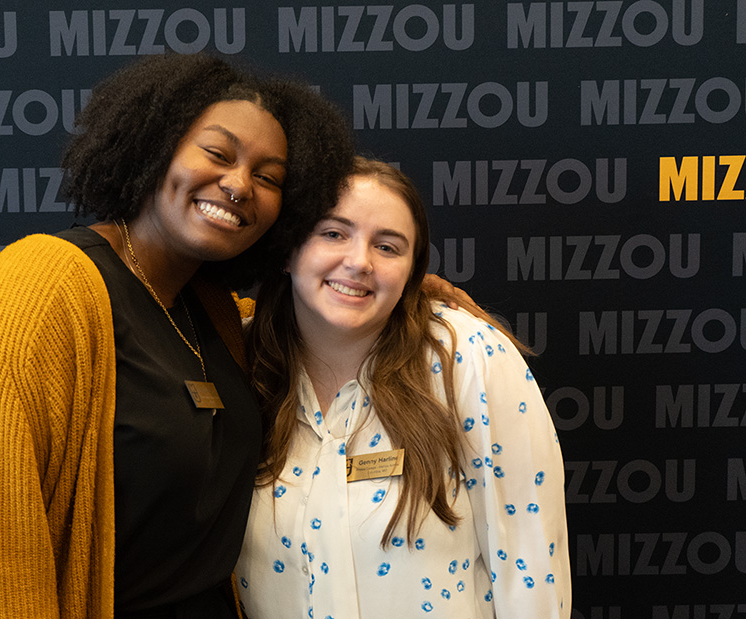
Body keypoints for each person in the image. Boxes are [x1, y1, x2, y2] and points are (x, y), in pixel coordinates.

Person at [0, 53, 355, 619]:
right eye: (217, 153)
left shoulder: (215, 313)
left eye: (268, 177)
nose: (238, 185)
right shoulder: (38, 289)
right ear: (155, 146)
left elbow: (317, 318)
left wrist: (406, 292)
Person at [235, 157, 570, 618]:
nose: (358, 262)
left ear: (412, 272)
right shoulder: (236, 363)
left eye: (388, 247)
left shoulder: (466, 358)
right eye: (333, 234)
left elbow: (529, 566)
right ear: (289, 251)